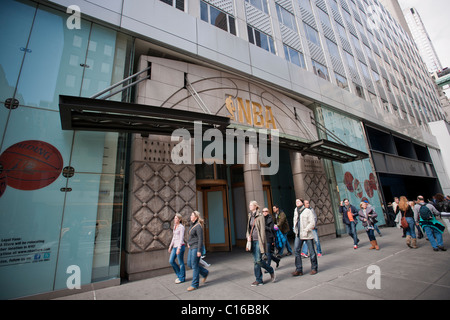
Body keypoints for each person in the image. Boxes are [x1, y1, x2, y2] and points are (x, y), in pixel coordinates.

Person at [246, 201, 275, 286]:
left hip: (258, 240)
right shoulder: (249, 215)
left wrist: (262, 242)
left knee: (258, 260)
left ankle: (270, 270)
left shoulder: (260, 216)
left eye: (251, 205)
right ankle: (259, 279)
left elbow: (262, 230)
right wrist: (248, 236)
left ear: (255, 206)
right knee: (255, 261)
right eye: (249, 205)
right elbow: (248, 228)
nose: (249, 206)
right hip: (252, 240)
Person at [292, 199, 318, 276]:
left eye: (298, 201)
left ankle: (314, 268)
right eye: (296, 202)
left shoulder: (307, 211)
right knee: (297, 250)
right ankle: (299, 269)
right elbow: (295, 221)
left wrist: (306, 230)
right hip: (298, 234)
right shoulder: (295, 211)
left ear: (302, 203)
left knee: (312, 251)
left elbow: (312, 222)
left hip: (307, 234)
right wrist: (295, 229)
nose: (297, 203)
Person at [186, 211, 209, 291]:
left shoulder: (198, 226)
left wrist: (199, 250)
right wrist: (188, 243)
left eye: (192, 215)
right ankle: (205, 272)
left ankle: (194, 284)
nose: (190, 216)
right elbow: (191, 236)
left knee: (194, 265)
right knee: (189, 264)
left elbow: (200, 239)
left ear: (196, 217)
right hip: (191, 247)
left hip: (196, 247)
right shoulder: (192, 225)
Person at [168, 213, 186, 284]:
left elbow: (181, 238)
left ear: (179, 219)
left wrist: (179, 248)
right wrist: (170, 246)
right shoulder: (175, 226)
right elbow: (174, 237)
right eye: (174, 218)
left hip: (180, 246)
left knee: (181, 262)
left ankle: (182, 278)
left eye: (176, 218)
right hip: (174, 246)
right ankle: (179, 275)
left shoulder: (181, 227)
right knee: (171, 261)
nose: (174, 219)